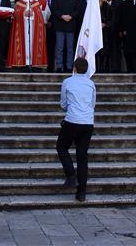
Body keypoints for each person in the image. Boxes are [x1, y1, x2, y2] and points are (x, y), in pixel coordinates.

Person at [56, 57, 96, 202]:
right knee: (82, 155)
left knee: (61, 147)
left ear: (74, 68)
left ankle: (71, 175)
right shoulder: (91, 84)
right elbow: (92, 104)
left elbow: (63, 104)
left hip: (72, 120)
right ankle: (82, 192)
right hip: (87, 122)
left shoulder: (67, 82)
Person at [6, 0, 47, 70]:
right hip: (22, 29)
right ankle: (24, 63)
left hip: (33, 29)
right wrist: (23, 14)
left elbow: (40, 18)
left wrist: (33, 15)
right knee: (24, 45)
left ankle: (33, 63)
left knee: (32, 44)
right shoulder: (19, 3)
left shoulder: (36, 3)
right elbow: (16, 16)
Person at [51, 0, 78, 72]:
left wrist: (71, 16)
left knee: (70, 48)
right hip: (60, 25)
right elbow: (54, 9)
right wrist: (62, 16)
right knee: (59, 47)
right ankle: (59, 66)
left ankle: (69, 66)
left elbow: (77, 10)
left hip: (70, 26)